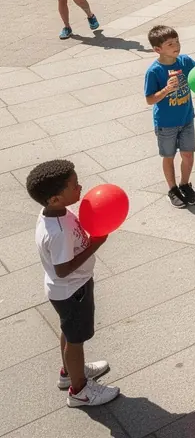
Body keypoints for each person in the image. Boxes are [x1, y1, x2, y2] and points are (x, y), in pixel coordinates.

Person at [27, 158, 120, 408]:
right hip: (72, 290)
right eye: (74, 185)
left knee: (69, 333)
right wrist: (95, 243)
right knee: (76, 340)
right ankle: (79, 391)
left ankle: (69, 372)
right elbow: (63, 269)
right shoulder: (57, 232)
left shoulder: (54, 213)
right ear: (55, 198)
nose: (80, 187)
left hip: (67, 291)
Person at [144, 25, 195, 208]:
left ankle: (185, 184)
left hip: (186, 119)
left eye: (177, 41)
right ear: (157, 49)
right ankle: (172, 189)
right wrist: (166, 89)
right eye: (170, 44)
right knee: (168, 156)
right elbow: (150, 99)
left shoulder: (184, 61)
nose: (176, 46)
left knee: (188, 155)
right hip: (166, 123)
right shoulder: (154, 71)